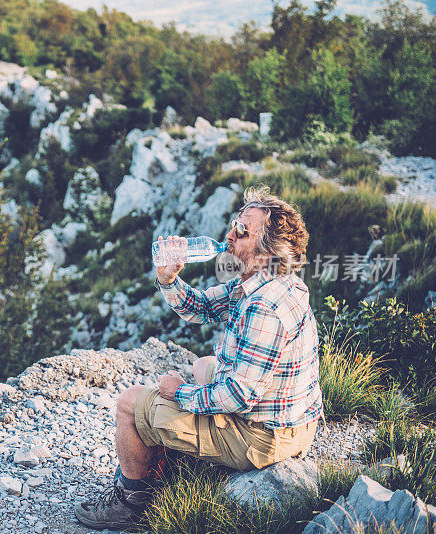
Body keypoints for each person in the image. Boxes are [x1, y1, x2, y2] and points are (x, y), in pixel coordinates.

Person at [75, 187, 323, 531]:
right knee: (203, 365)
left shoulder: (265, 307)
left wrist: (178, 394)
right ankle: (173, 453)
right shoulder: (265, 281)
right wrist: (168, 278)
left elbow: (238, 396)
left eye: (242, 231)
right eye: (235, 223)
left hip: (265, 439)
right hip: (292, 420)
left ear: (268, 251)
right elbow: (201, 307)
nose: (229, 234)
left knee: (130, 404)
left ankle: (132, 503)